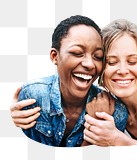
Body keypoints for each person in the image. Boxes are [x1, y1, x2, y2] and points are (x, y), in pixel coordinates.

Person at [10, 15, 128, 147]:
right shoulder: (34, 97)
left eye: (98, 56)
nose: (90, 64)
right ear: (55, 56)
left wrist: (97, 123)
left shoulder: (115, 112)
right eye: (77, 53)